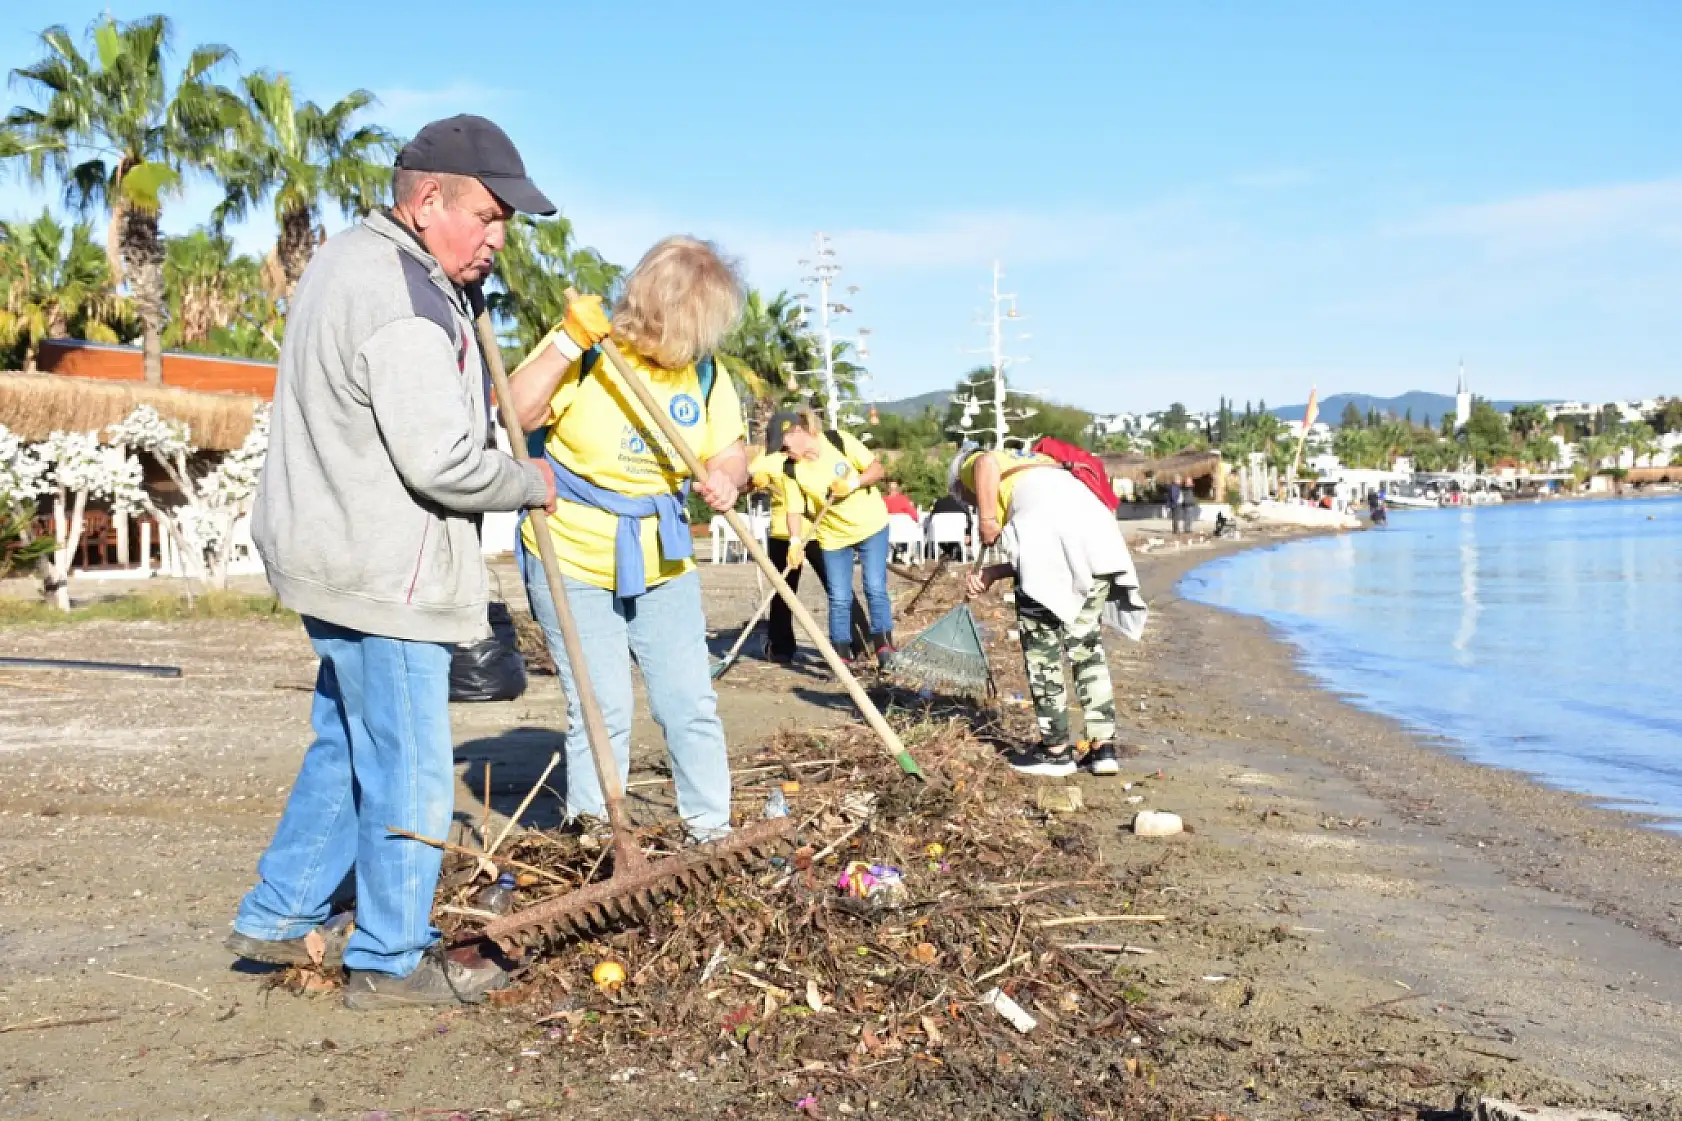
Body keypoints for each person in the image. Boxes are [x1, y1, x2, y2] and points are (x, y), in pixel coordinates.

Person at [227, 115, 559, 1010]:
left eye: (505, 227)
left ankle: (281, 907)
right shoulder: (406, 300)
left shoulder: (351, 260)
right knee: (409, 760)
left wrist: (461, 295)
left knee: (347, 739)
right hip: (384, 569)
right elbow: (442, 462)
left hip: (331, 552)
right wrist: (528, 481)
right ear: (426, 201)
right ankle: (390, 955)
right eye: (486, 218)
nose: (496, 240)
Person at [508, 237, 748, 844]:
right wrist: (565, 342)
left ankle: (710, 829)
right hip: (572, 551)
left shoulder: (706, 372)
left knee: (688, 701)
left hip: (663, 556)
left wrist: (726, 477)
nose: (697, 341)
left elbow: (730, 450)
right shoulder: (590, 347)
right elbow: (516, 412)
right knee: (601, 705)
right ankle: (597, 834)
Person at [953, 443, 1145, 777]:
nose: (972, 504)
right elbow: (1052, 546)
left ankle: (1055, 751)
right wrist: (992, 573)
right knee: (1086, 649)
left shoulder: (979, 463)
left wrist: (985, 520)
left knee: (1042, 651)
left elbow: (984, 461)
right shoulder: (1036, 467)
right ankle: (1103, 749)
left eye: (967, 499)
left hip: (1053, 541)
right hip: (1096, 538)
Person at [770, 411, 895, 664]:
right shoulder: (791, 469)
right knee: (839, 596)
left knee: (874, 587)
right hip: (832, 536)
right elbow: (793, 509)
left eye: (783, 446)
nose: (783, 452)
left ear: (797, 431)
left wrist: (853, 483)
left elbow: (877, 469)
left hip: (871, 526)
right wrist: (795, 541)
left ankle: (885, 648)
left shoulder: (839, 440)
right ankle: (842, 656)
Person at [748, 444, 868, 663]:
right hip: (783, 535)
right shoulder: (766, 457)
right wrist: (755, 481)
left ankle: (862, 642)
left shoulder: (812, 455)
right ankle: (781, 648)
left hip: (818, 532)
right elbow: (744, 482)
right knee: (783, 592)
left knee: (839, 587)